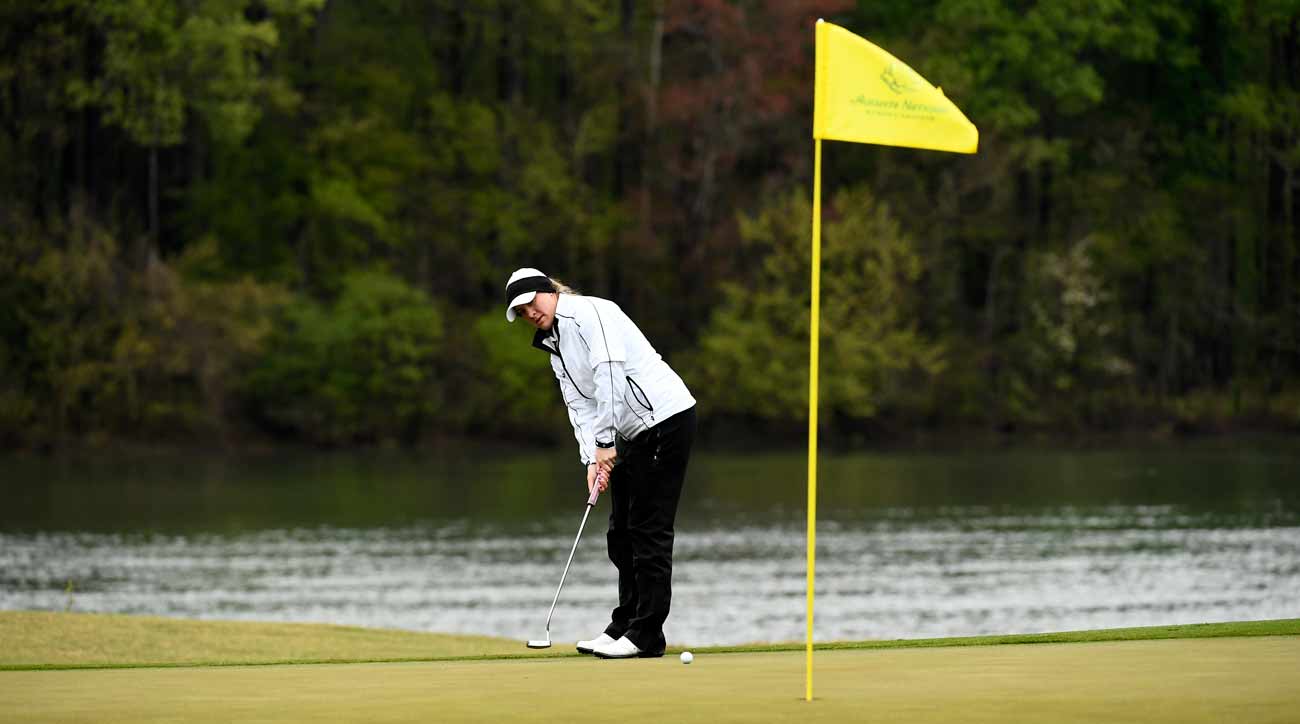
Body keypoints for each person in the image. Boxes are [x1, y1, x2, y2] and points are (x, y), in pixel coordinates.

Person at [504, 267, 697, 659]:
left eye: (531, 303)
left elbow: (609, 375)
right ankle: (625, 624)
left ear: (549, 291)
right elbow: (579, 404)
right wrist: (591, 458)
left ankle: (647, 634)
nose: (530, 313)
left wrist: (606, 442)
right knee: (620, 534)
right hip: (627, 434)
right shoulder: (553, 343)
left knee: (648, 530)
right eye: (521, 312)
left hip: (665, 420)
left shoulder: (591, 313)